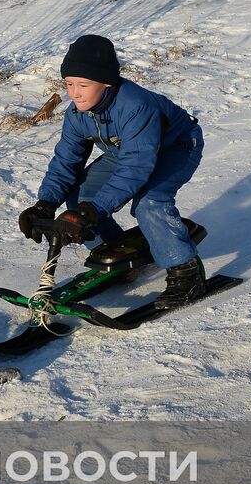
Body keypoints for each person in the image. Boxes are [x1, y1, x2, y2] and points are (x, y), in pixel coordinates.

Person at [19, 34, 207, 308]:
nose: (74, 93)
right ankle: (118, 256)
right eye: (69, 84)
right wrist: (45, 204)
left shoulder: (135, 107)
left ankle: (186, 273)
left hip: (176, 148)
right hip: (127, 151)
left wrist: (93, 211)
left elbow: (135, 170)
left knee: (149, 202)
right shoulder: (77, 114)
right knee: (81, 195)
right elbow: (65, 161)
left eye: (83, 85)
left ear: (106, 82)